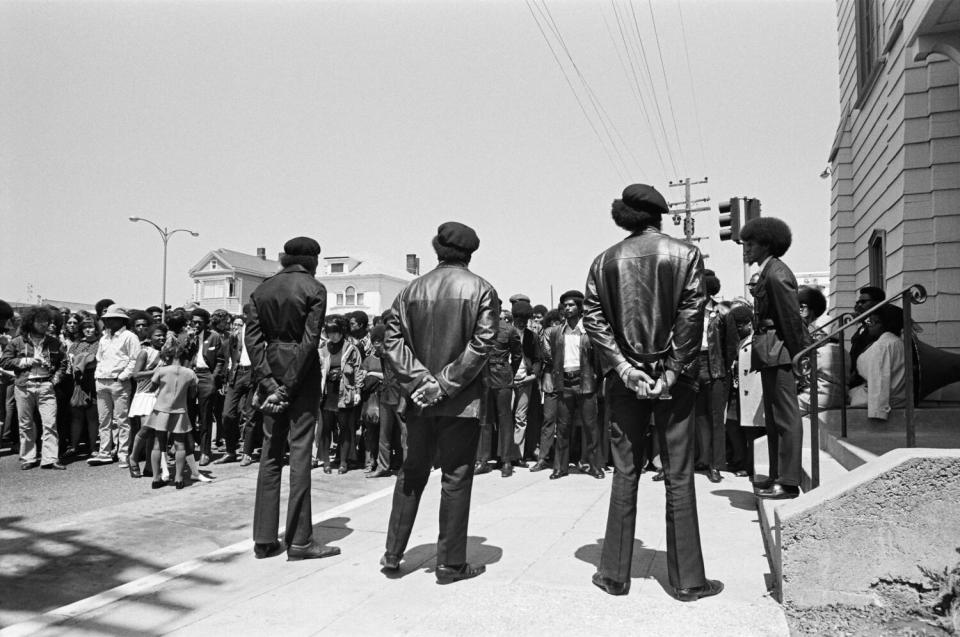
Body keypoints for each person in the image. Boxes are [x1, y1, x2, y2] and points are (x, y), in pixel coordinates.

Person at [583, 183, 721, 602]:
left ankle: (613, 575)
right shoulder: (685, 254)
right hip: (672, 381)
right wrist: (674, 370)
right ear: (659, 215)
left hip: (624, 381)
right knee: (678, 473)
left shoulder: (603, 261)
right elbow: (690, 313)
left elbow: (595, 320)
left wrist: (624, 368)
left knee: (625, 472)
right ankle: (687, 581)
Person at [380, 221, 498, 583]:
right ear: (471, 253)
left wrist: (421, 381)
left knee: (411, 474)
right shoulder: (481, 289)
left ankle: (392, 553)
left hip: (418, 402)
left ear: (436, 248)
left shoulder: (410, 291)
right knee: (456, 477)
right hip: (460, 403)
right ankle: (450, 563)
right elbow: (481, 344)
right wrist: (444, 384)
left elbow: (392, 342)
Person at [247, 236, 340, 561]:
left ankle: (263, 538)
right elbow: (310, 340)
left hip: (269, 366)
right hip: (300, 373)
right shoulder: (314, 289)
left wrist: (269, 383)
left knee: (270, 453)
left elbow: (253, 340)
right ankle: (300, 540)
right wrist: (287, 386)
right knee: (300, 452)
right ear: (313, 259)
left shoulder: (262, 289)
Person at [741, 217, 810, 500]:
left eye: (750, 244)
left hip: (780, 351)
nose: (745, 249)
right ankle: (776, 475)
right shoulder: (769, 271)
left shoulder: (776, 273)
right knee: (773, 419)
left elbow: (791, 320)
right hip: (770, 351)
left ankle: (789, 481)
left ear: (766, 244)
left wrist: (800, 354)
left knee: (785, 417)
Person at [0, 304, 68, 470]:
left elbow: (63, 363)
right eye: (40, 321)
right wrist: (26, 361)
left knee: (50, 423)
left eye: (47, 321)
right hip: (23, 385)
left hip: (46, 385)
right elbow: (4, 362)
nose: (44, 324)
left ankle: (50, 458)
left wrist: (54, 381)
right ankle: (28, 457)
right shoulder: (17, 342)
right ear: (31, 322)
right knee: (25, 424)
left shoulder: (54, 342)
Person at [546, 289, 603, 480]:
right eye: (565, 305)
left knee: (590, 426)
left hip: (585, 381)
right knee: (562, 428)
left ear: (579, 308)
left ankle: (595, 466)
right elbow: (553, 357)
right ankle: (560, 468)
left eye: (571, 305)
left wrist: (596, 378)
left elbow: (598, 359)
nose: (567, 308)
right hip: (565, 382)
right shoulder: (557, 332)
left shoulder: (589, 331)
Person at [694, 271, 737, 483]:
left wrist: (723, 368)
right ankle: (700, 458)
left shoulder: (723, 312)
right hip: (692, 368)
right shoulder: (687, 311)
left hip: (715, 368)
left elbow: (731, 345)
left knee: (715, 419)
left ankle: (715, 465)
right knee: (697, 418)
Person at [143, 337, 198, 489]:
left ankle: (156, 478)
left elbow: (151, 388)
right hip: (180, 411)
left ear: (166, 356)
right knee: (180, 445)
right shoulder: (189, 373)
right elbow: (193, 394)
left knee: (157, 444)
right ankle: (179, 478)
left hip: (161, 410)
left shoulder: (161, 371)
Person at [89, 305, 141, 467]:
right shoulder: (104, 338)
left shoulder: (129, 337)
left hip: (118, 382)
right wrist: (98, 375)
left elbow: (135, 359)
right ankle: (104, 452)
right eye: (106, 319)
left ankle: (123, 453)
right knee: (104, 420)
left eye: (111, 319)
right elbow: (99, 358)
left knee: (122, 420)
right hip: (102, 380)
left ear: (121, 320)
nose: (108, 322)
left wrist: (122, 377)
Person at [475, 301, 521, 476]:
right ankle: (483, 460)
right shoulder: (480, 328)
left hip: (502, 376)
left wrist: (509, 372)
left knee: (505, 419)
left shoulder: (509, 330)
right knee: (484, 420)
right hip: (485, 376)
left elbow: (517, 355)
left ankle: (507, 461)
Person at [316, 315, 363, 474]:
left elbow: (358, 371)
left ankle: (343, 462)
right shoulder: (322, 349)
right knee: (326, 429)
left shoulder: (351, 348)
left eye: (336, 332)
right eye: (329, 332)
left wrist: (357, 391)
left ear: (342, 331)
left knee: (345, 429)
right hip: (327, 394)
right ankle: (327, 462)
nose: (333, 335)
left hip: (345, 393)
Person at [849, 305, 906, 422]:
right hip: (897, 397)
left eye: (874, 321)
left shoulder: (882, 346)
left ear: (886, 324)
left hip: (886, 400)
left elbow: (879, 380)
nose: (869, 324)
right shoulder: (896, 342)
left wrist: (877, 412)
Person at [797, 286, 849, 415]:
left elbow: (805, 374)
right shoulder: (844, 351)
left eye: (817, 333)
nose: (813, 336)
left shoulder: (821, 352)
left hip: (820, 397)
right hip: (840, 397)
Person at [362, 324, 406, 478]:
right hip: (386, 395)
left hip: (400, 396)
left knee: (404, 435)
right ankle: (382, 466)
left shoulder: (400, 352)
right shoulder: (381, 354)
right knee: (383, 435)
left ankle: (407, 468)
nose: (375, 344)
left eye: (378, 341)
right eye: (374, 341)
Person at [216, 308, 255, 464]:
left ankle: (247, 452)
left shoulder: (259, 333)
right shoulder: (234, 335)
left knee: (250, 415)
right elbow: (226, 358)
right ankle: (231, 450)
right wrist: (224, 379)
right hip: (237, 374)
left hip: (253, 373)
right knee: (227, 414)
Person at [127, 324, 166, 478]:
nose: (161, 338)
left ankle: (150, 465)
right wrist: (154, 371)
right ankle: (133, 458)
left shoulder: (166, 354)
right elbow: (135, 375)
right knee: (146, 429)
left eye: (163, 335)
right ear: (150, 337)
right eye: (158, 335)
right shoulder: (145, 353)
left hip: (159, 396)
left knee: (156, 433)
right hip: (144, 395)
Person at [189, 308, 226, 466]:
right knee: (189, 413)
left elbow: (220, 359)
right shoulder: (189, 336)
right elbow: (182, 354)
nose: (196, 325)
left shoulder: (214, 337)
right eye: (194, 322)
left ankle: (205, 451)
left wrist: (213, 377)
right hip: (190, 375)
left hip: (206, 376)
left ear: (206, 322)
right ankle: (189, 447)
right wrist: (189, 340)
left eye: (199, 322)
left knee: (205, 416)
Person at [65, 315, 100, 458]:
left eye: (91, 327)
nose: (88, 330)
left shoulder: (101, 343)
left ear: (96, 328)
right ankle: (73, 446)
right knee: (77, 417)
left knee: (92, 418)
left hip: (94, 382)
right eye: (85, 328)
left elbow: (97, 361)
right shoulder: (76, 344)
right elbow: (70, 362)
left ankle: (93, 448)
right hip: (78, 383)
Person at [848, 285, 886, 388]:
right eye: (857, 302)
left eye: (863, 302)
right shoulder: (862, 327)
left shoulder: (883, 327)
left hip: (869, 384)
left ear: (877, 303)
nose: (858, 306)